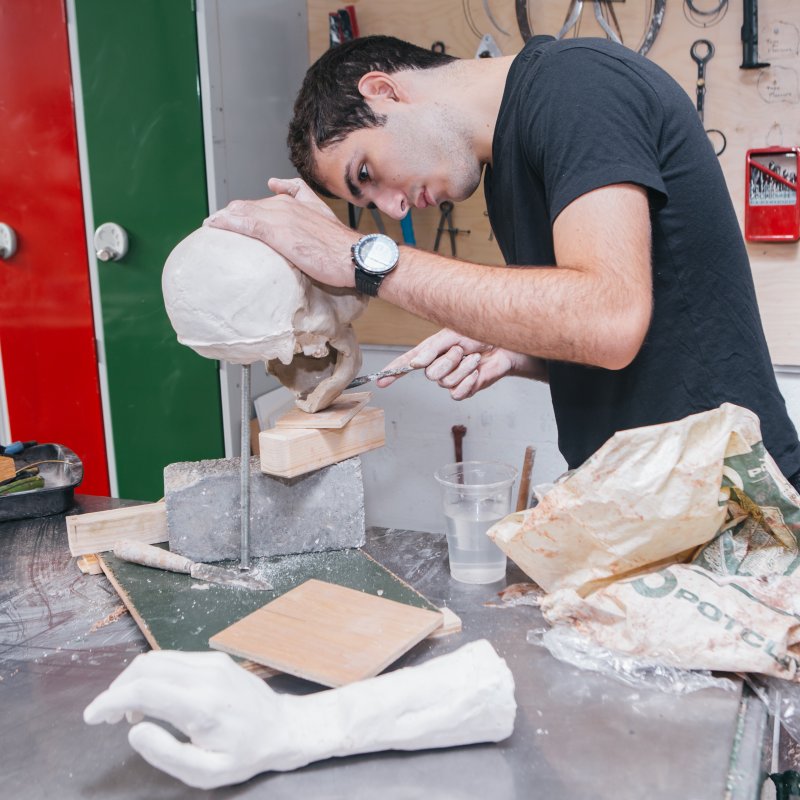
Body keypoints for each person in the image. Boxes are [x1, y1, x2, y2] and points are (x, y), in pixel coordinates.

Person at [206, 34, 800, 488]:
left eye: (367, 173)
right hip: (648, 496)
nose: (392, 207)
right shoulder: (505, 165)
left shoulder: (576, 88)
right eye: (367, 204)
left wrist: (364, 259)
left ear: (383, 91)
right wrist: (525, 349)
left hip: (732, 498)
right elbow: (635, 334)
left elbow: (610, 320)